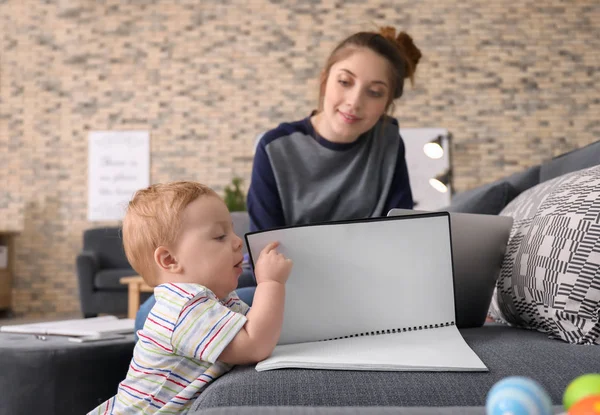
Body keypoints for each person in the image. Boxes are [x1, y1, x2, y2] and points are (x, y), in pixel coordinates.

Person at [89, 181, 292, 414]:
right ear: (170, 260)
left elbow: (265, 328)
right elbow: (254, 345)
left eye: (232, 231)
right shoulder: (183, 306)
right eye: (219, 236)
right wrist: (270, 283)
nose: (237, 241)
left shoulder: (218, 299)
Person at [247, 26, 421, 232]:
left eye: (374, 92)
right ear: (324, 81)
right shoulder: (274, 148)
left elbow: (403, 232)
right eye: (344, 82)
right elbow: (262, 248)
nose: (354, 102)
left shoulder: (387, 140)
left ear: (387, 102)